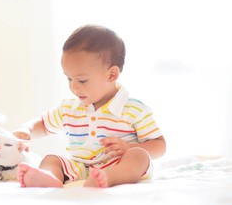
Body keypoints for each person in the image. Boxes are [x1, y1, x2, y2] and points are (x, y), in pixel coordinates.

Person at [14, 25, 166, 188]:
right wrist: (26, 131)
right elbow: (43, 125)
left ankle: (110, 178)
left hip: (120, 165)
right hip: (82, 168)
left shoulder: (133, 109)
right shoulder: (69, 108)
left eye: (82, 80)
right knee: (52, 159)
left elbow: (159, 145)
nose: (73, 87)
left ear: (112, 74)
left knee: (139, 156)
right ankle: (50, 178)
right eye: (69, 79)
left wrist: (130, 147)